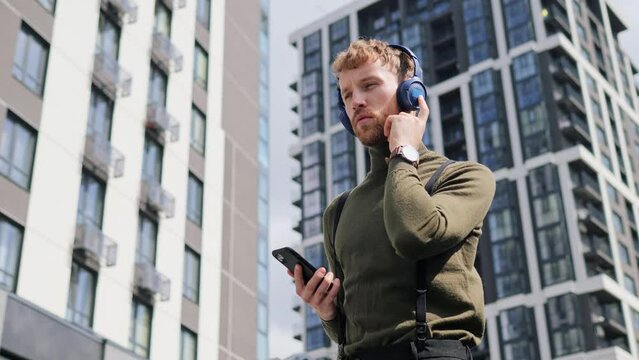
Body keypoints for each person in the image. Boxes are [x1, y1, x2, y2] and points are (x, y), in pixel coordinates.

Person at [288, 39, 496, 359]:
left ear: (410, 93)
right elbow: (350, 328)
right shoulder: (339, 211)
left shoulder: (465, 177)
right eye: (347, 95)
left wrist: (402, 152)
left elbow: (413, 235)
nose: (356, 101)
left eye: (369, 85)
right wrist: (328, 311)